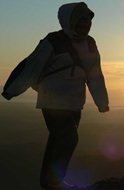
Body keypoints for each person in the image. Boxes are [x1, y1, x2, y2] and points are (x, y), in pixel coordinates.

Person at [3, 2, 109, 190]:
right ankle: (53, 182)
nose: (85, 25)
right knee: (69, 138)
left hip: (75, 102)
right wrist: (12, 91)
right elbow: (32, 68)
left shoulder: (90, 43)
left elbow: (95, 75)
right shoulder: (53, 41)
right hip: (52, 101)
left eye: (87, 21)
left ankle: (49, 181)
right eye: (80, 21)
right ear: (69, 21)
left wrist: (102, 101)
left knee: (58, 140)